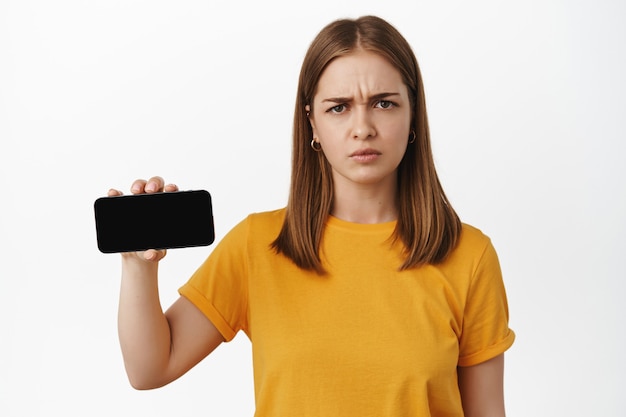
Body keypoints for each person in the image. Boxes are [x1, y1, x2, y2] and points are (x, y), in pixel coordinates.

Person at [110, 15, 515, 417]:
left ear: (412, 114)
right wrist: (137, 265)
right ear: (313, 124)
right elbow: (149, 369)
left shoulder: (469, 255)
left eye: (384, 103)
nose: (363, 127)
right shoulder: (257, 244)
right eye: (339, 107)